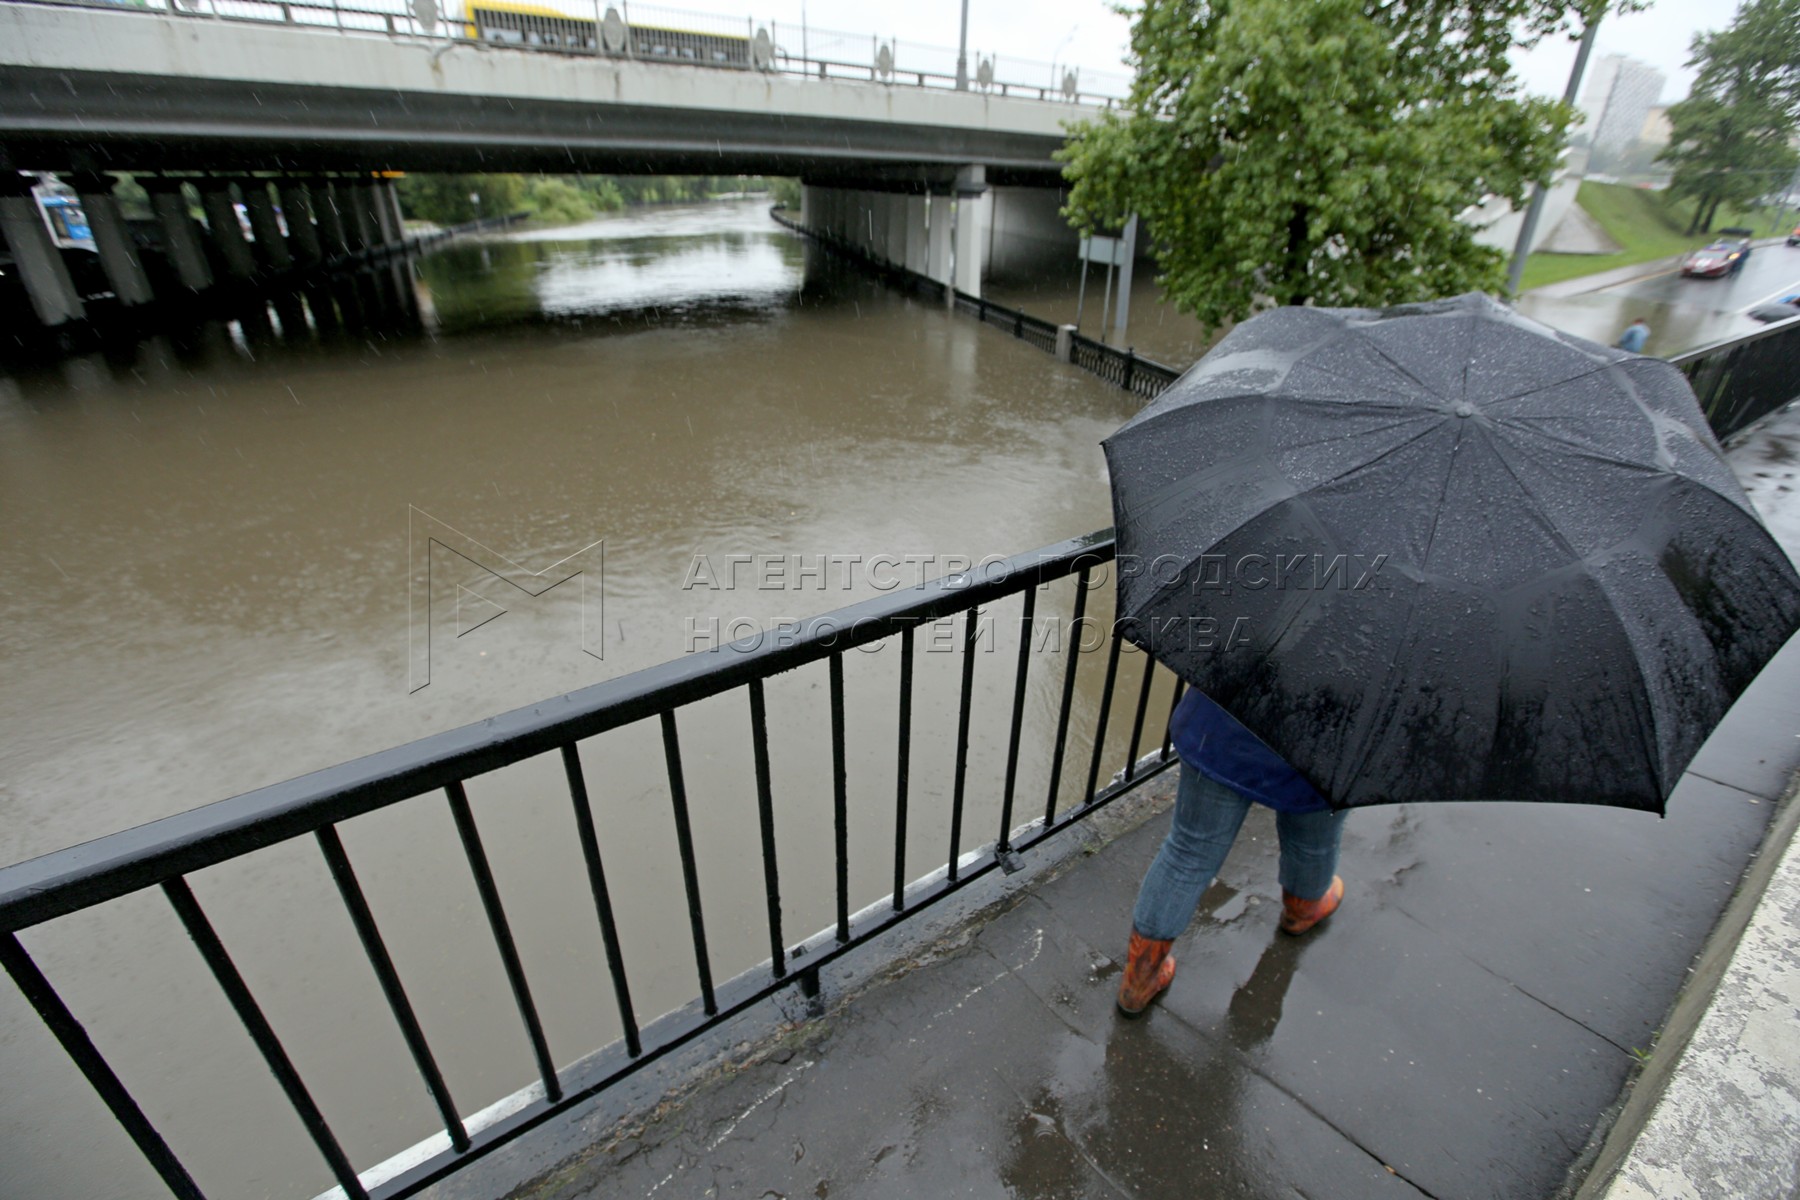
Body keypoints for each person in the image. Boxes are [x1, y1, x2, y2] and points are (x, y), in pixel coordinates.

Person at [1117, 686, 1348, 1017]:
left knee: (1188, 852)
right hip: (1321, 745)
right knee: (1312, 842)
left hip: (1225, 728)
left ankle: (1138, 981)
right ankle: (1302, 910)